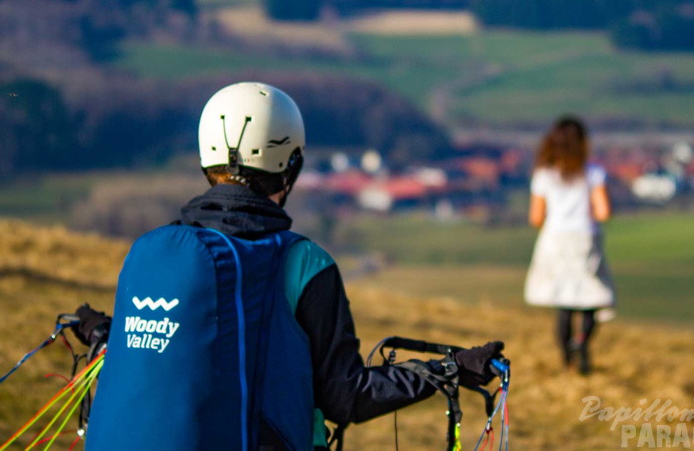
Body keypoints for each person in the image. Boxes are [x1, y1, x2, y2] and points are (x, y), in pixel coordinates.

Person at [74, 82, 504, 451]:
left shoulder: (155, 251)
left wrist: (102, 334)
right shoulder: (303, 263)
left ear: (207, 160)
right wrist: (444, 371)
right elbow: (345, 398)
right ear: (290, 167)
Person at [523, 115, 615, 375]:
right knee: (591, 298)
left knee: (564, 303)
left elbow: (536, 218)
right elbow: (604, 212)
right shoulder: (593, 173)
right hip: (585, 238)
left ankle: (567, 360)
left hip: (554, 239)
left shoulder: (544, 175)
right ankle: (582, 342)